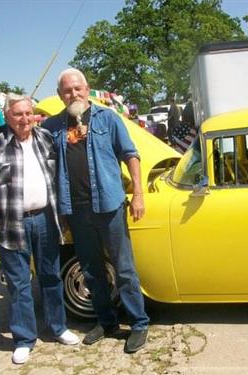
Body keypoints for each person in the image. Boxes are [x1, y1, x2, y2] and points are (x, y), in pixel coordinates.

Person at [43, 68, 149, 353]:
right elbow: (25, 140)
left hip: (109, 206)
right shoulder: (52, 127)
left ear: (87, 89)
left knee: (123, 268)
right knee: (91, 269)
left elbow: (131, 155)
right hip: (75, 210)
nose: (73, 94)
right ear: (60, 95)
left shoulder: (109, 119)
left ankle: (138, 323)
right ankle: (107, 321)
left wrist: (138, 194)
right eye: (67, 90)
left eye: (78, 88)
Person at [0, 93, 79, 365]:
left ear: (34, 115)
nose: (23, 119)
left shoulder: (45, 139)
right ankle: (24, 339)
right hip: (11, 224)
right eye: (17, 114)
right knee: (19, 284)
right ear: (7, 117)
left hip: (45, 219)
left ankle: (58, 328)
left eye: (27, 113)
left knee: (51, 276)